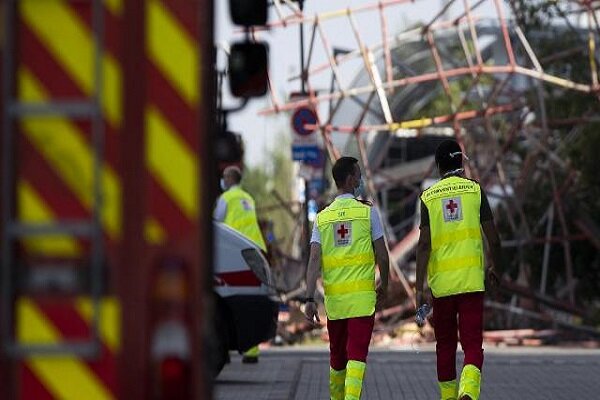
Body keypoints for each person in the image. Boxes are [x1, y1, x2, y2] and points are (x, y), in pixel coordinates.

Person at [415, 139, 501, 400]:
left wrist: (419, 289)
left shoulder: (428, 198)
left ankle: (449, 397)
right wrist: (496, 265)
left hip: (442, 287)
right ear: (461, 162)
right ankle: (468, 392)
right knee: (473, 344)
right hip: (472, 283)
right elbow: (493, 238)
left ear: (438, 166)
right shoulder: (475, 191)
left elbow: (423, 245)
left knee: (445, 347)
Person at [304, 156, 389, 400]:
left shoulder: (322, 218)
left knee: (337, 359)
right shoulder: (367, 213)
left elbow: (313, 261)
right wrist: (386, 283)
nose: (361, 179)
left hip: (336, 303)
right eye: (359, 175)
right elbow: (382, 255)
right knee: (357, 356)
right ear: (351, 179)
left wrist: (309, 298)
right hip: (362, 301)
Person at [214, 165, 267, 363]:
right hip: (254, 247)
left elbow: (216, 222)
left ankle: (230, 348)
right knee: (249, 296)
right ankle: (252, 351)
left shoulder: (226, 199)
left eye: (224, 176)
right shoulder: (248, 198)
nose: (223, 179)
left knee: (235, 297)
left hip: (235, 249)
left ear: (229, 179)